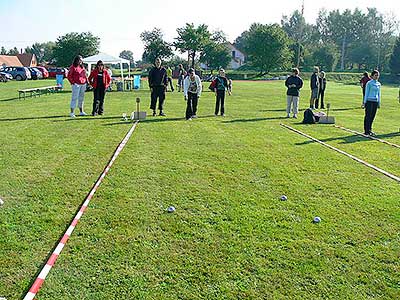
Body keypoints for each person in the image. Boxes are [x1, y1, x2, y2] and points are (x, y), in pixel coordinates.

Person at [362, 70, 381, 136]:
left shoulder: (378, 84)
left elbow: (379, 94)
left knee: (372, 116)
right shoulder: (369, 83)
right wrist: (364, 102)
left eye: (377, 75)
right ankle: (366, 130)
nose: (376, 77)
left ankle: (370, 129)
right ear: (372, 76)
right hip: (369, 101)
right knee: (368, 116)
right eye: (375, 75)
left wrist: (379, 102)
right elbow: (366, 93)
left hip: (375, 101)